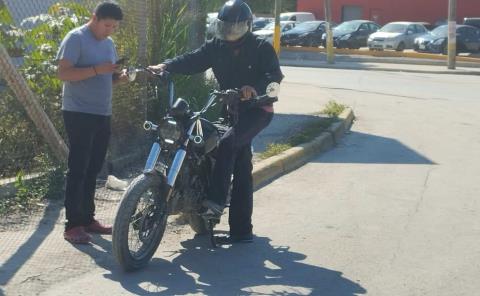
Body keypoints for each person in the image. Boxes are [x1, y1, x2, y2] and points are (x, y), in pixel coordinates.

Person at [149, 0, 283, 244]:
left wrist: (254, 88)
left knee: (228, 143)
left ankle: (215, 202)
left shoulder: (261, 47)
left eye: (236, 26)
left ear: (247, 25)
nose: (231, 31)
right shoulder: (216, 46)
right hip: (229, 107)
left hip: (256, 111)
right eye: (226, 26)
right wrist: (166, 65)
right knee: (238, 164)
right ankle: (242, 230)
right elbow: (193, 59)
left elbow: (274, 76)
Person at [56, 2, 128, 244]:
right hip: (78, 112)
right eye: (107, 25)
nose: (110, 31)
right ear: (94, 18)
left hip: (102, 113)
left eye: (114, 27)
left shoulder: (108, 43)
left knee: (94, 167)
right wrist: (98, 69)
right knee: (78, 167)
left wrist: (119, 78)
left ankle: (87, 219)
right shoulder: (75, 38)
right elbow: (64, 73)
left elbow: (108, 77)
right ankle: (72, 225)